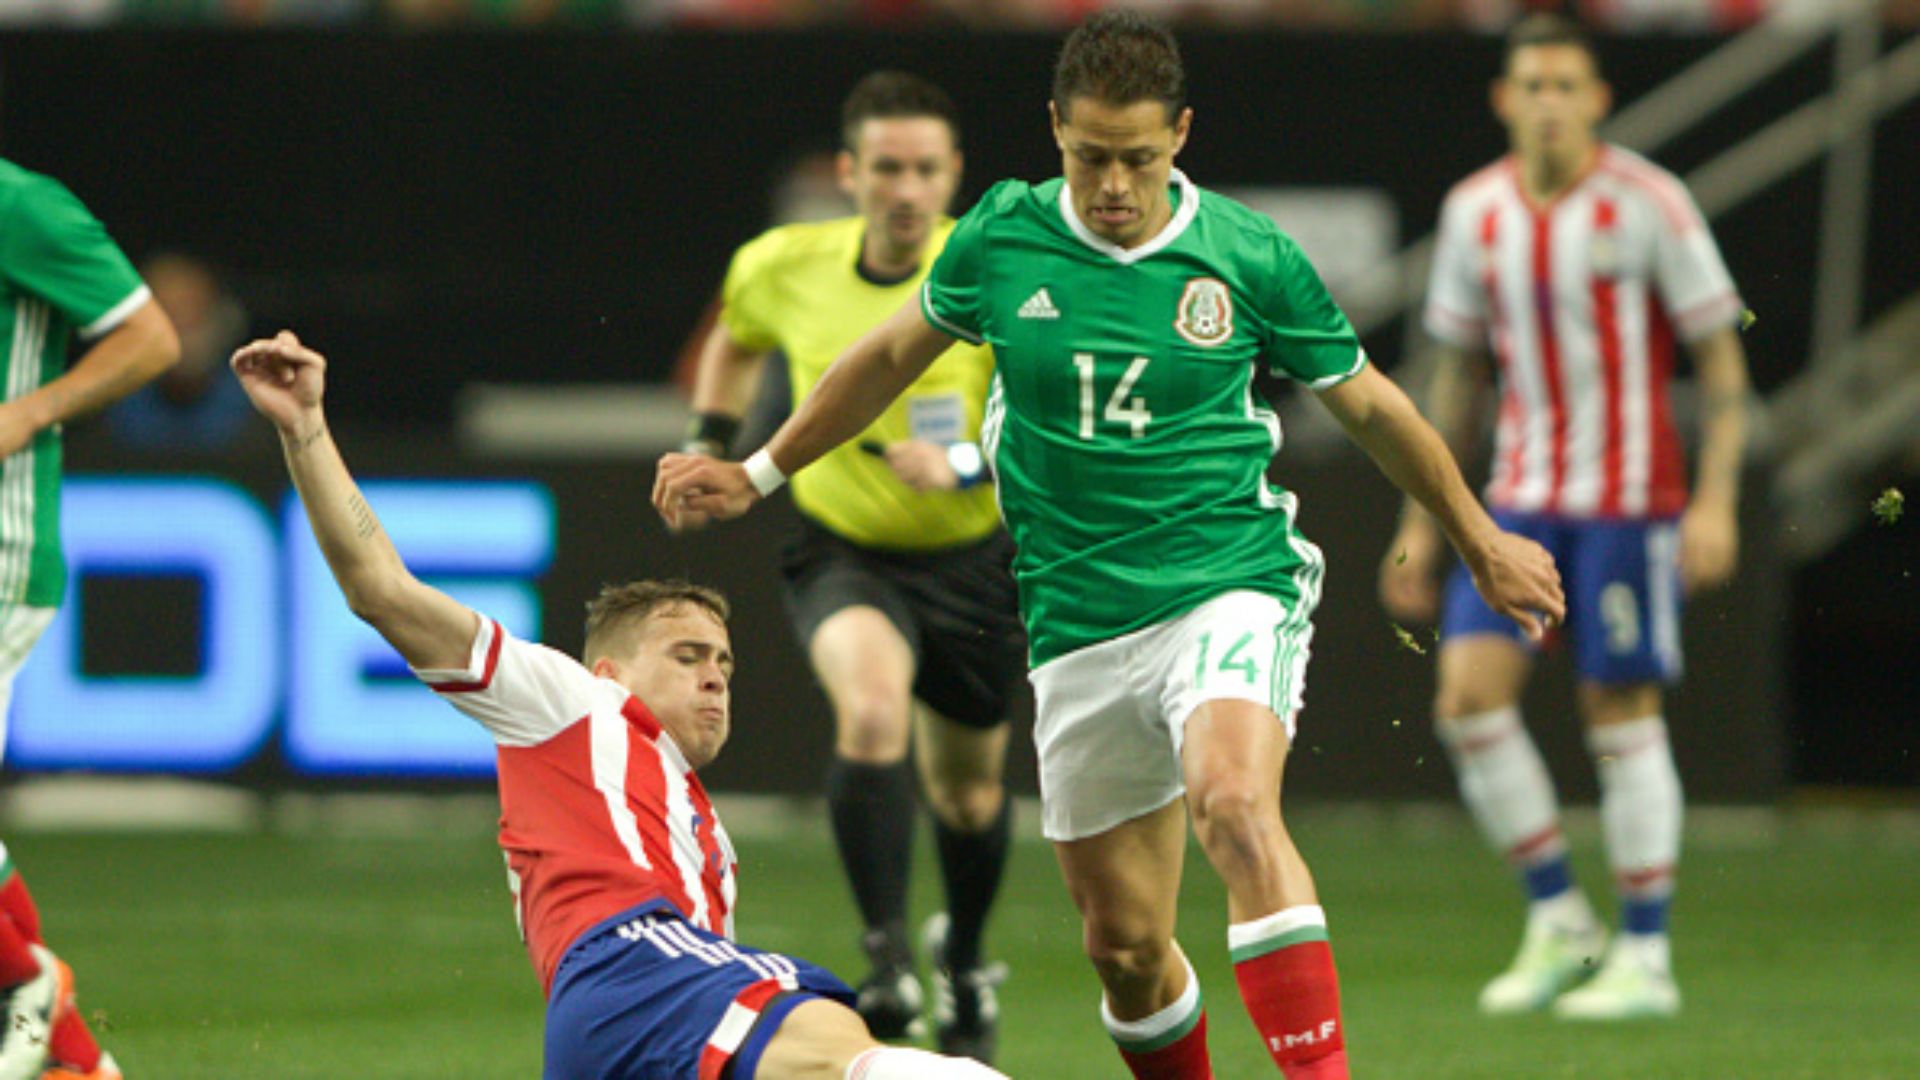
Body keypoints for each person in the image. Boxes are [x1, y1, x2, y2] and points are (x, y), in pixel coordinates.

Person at [654, 12, 1565, 1079]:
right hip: (1076, 618)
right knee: (1126, 948)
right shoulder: (1001, 238)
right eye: (1091, 158)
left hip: (1226, 578)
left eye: (1139, 156)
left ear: (1180, 132)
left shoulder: (1247, 253)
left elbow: (1372, 407)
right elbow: (887, 356)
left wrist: (1479, 536)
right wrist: (758, 470)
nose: (1115, 184)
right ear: (1056, 132)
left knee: (1232, 798)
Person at [229, 329, 1008, 1080]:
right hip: (632, 964)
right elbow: (382, 590)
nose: (715, 677)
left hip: (617, 1018)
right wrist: (306, 430)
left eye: (726, 663)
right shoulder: (572, 704)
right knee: (834, 1039)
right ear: (609, 670)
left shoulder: (699, 837)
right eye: (688, 655)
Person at [1377, 13, 1751, 1021]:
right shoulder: (1475, 212)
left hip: (1630, 505)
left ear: (1598, 99)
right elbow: (1450, 377)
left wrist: (1714, 500)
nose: (1547, 102)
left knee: (1618, 715)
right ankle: (1561, 920)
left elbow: (1722, 361)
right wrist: (1424, 519)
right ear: (1505, 99)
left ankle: (1647, 954)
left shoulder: (1650, 205)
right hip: (1518, 505)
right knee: (1465, 701)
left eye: (1565, 85)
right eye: (1530, 84)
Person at [681, 71, 1023, 1060]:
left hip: (975, 556)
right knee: (872, 712)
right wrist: (711, 435)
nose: (906, 189)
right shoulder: (782, 263)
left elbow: (1053, 413)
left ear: (955, 174)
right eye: (886, 168)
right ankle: (885, 962)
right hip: (845, 549)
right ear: (849, 173)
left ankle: (962, 956)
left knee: (967, 794)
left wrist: (962, 460)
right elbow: (736, 343)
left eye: (925, 169)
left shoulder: (994, 262)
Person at [0, 156, 181, 1080]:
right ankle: (69, 1050)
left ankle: (27, 985)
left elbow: (150, 340)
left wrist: (30, 410)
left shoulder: (19, 205)